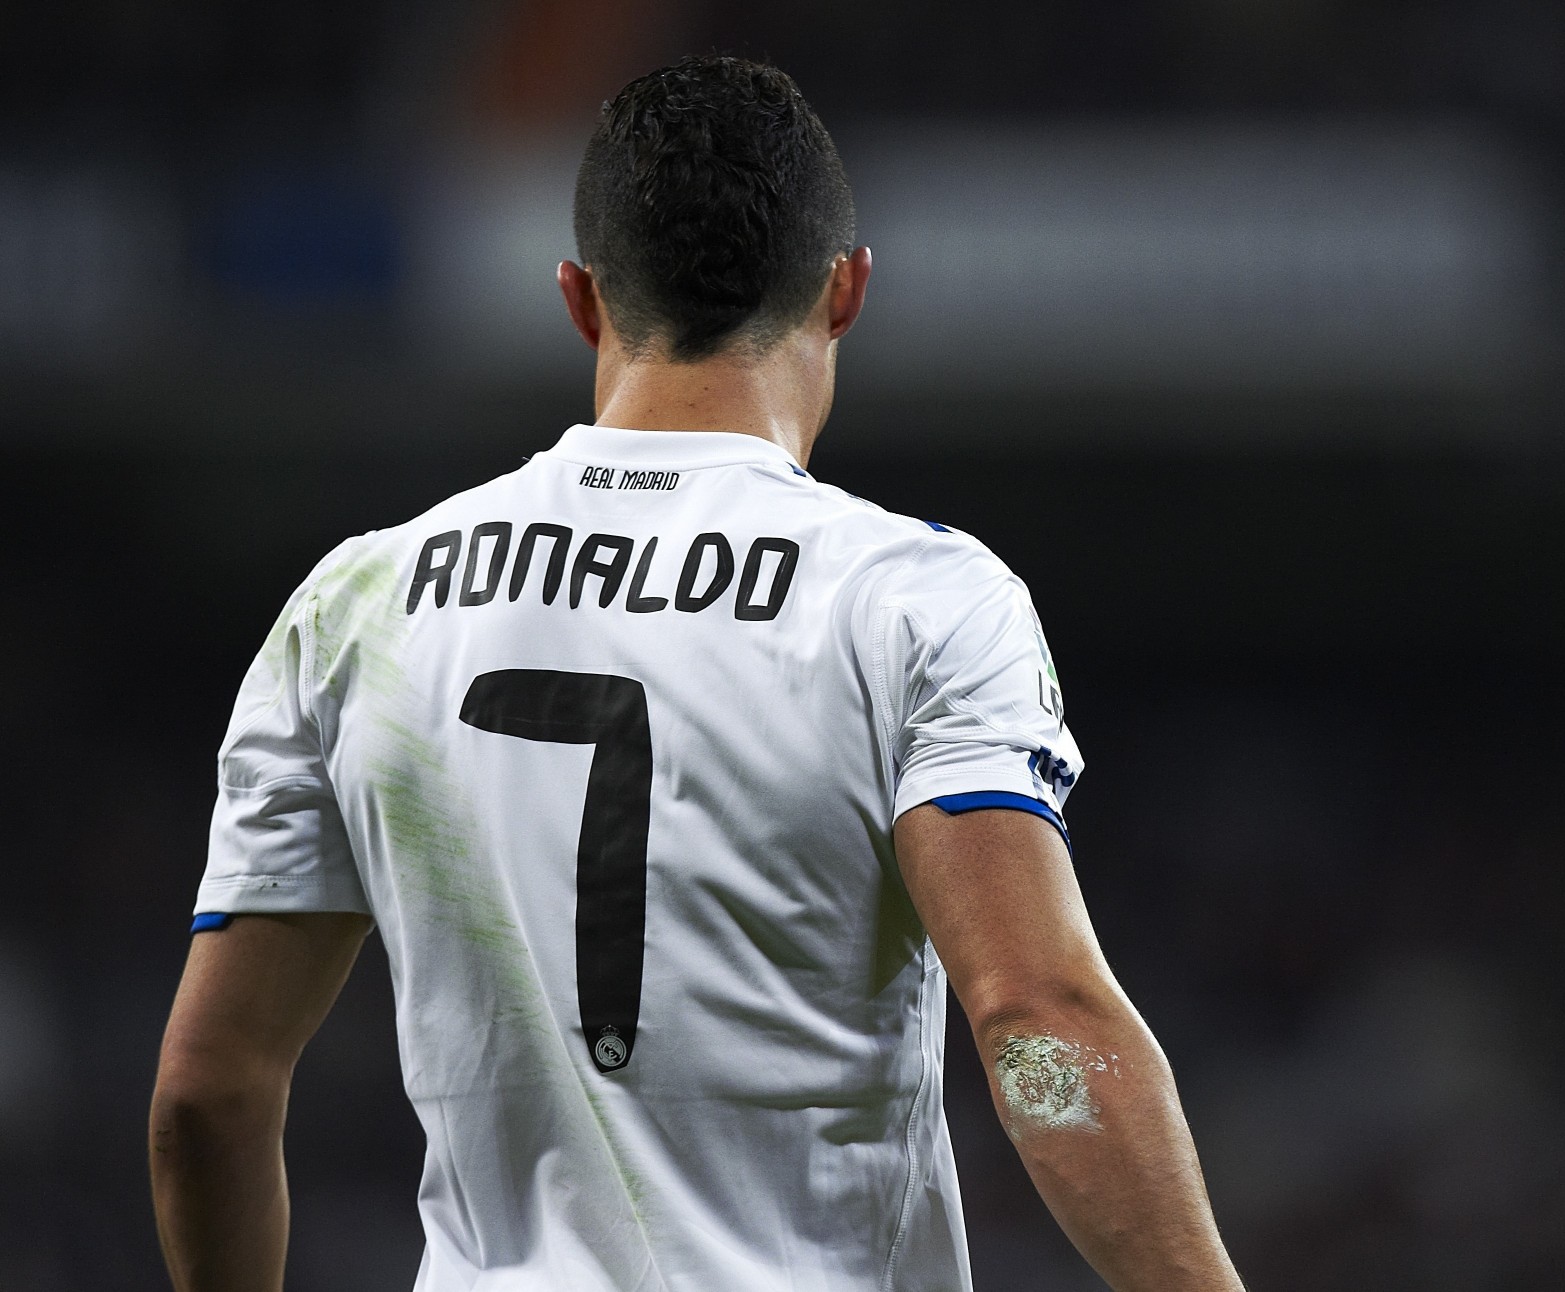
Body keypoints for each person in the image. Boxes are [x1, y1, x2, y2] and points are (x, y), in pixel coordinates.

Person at [149, 55, 1243, 1292]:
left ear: (580, 298)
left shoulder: (360, 601)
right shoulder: (913, 598)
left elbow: (206, 1093)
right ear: (846, 289)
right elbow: (1035, 1022)